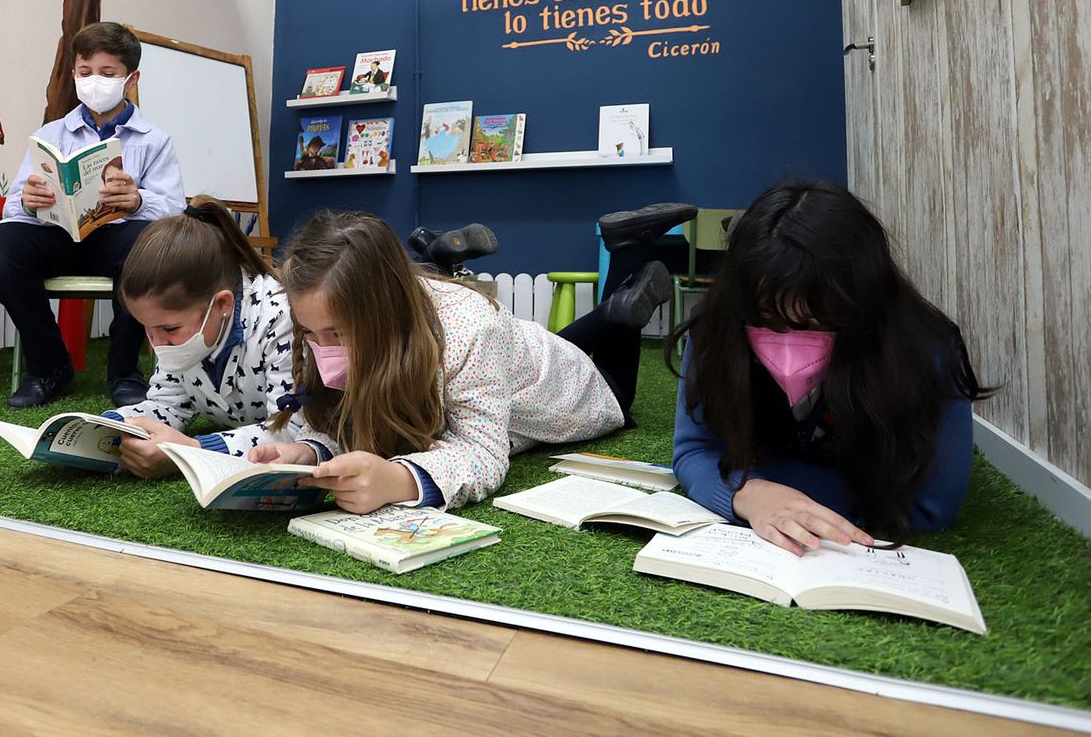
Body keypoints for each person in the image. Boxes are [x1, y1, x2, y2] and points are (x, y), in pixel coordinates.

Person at [244, 205, 685, 513]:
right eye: (310, 334)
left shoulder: (471, 328)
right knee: (518, 352)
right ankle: (617, 306)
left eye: (338, 334)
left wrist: (397, 481)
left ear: (384, 312)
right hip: (518, 358)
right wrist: (308, 450)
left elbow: (483, 453)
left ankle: (623, 299)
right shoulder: (367, 317)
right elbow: (357, 424)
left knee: (618, 393)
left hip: (577, 391)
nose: (325, 351)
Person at [669, 180, 989, 555]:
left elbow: (931, 506)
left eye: (815, 322)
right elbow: (692, 450)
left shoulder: (928, 352)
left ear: (864, 307)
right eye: (769, 320)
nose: (788, 341)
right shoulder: (717, 331)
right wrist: (750, 494)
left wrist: (779, 495)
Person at [0, 22, 185, 409]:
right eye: (85, 73)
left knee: (148, 245)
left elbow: (176, 210)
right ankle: (49, 367)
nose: (94, 81)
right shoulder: (51, 134)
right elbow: (12, 206)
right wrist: (29, 201)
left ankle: (124, 371)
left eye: (108, 73)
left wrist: (138, 201)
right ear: (74, 74)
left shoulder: (155, 140)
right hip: (59, 236)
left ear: (132, 78)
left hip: (118, 240)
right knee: (1, 241)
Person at [99, 197, 299, 478]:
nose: (157, 343)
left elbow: (291, 431)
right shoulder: (184, 325)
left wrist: (192, 450)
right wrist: (109, 426)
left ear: (222, 305)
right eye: (147, 328)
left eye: (169, 330)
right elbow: (166, 404)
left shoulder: (281, 318)